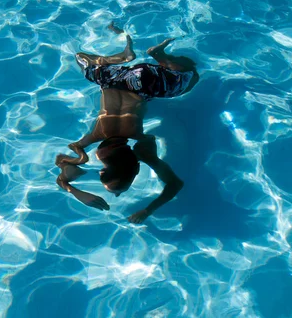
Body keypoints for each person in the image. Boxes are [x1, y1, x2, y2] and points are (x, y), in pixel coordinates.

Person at [55, 23, 199, 224]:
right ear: (104, 167)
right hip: (111, 80)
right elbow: (61, 179)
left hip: (144, 84)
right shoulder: (94, 137)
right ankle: (122, 58)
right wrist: (77, 191)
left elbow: (175, 184)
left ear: (135, 168)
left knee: (191, 78)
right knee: (81, 57)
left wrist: (147, 211)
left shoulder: (142, 148)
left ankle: (156, 56)